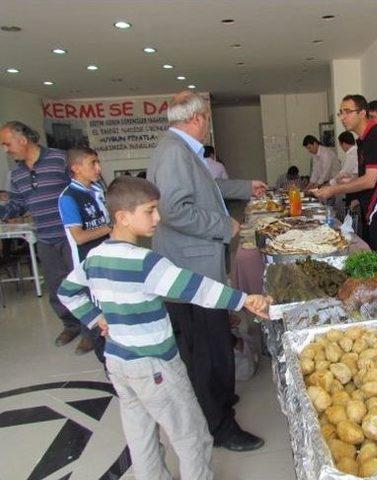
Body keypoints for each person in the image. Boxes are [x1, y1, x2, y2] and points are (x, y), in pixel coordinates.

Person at [57, 176, 272, 480]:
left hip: (119, 364)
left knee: (141, 437)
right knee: (192, 435)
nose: (158, 218)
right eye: (150, 211)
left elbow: (66, 291)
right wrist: (244, 299)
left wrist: (97, 319)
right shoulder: (144, 262)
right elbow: (195, 288)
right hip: (155, 365)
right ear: (123, 217)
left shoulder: (96, 256)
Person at [148, 90, 268, 451]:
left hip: (192, 266)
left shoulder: (180, 149)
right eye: (207, 120)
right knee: (210, 348)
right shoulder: (174, 151)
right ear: (198, 118)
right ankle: (219, 427)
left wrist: (246, 187)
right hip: (191, 271)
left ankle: (215, 404)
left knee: (205, 346)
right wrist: (224, 226)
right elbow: (173, 209)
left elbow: (208, 189)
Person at [0, 121, 92, 353]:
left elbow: (83, 188)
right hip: (45, 237)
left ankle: (91, 330)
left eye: (6, 143)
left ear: (23, 139)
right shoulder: (16, 173)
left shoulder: (60, 159)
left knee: (82, 284)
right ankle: (70, 325)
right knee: (57, 286)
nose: (5, 149)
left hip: (71, 237)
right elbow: (17, 204)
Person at [313, 95, 377, 277]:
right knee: (376, 272)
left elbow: (369, 180)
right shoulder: (364, 139)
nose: (342, 117)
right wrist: (350, 185)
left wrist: (333, 189)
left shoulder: (376, 136)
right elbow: (372, 175)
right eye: (340, 112)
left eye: (347, 112)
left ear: (363, 113)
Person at [58, 146, 111, 360]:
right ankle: (106, 363)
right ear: (76, 168)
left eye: (98, 162)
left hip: (107, 259)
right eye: (93, 163)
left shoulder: (97, 189)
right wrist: (111, 227)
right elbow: (79, 236)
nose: (98, 168)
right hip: (89, 265)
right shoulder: (69, 197)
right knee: (100, 319)